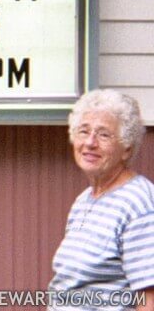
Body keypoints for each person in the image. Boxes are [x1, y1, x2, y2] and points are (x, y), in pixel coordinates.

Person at [48, 89, 154, 311]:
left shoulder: (138, 204)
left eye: (104, 135)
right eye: (83, 131)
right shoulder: (84, 201)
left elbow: (149, 300)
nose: (90, 143)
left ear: (127, 148)